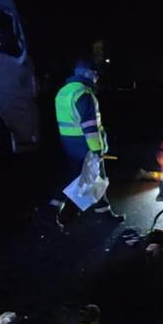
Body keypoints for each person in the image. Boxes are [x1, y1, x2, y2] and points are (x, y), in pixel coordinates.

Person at [52, 60, 124, 227]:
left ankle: (52, 210)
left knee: (73, 178)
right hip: (85, 146)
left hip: (69, 143)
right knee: (98, 178)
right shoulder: (84, 94)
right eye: (94, 73)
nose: (96, 77)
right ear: (86, 73)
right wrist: (97, 150)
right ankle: (104, 216)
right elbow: (90, 127)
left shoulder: (63, 92)